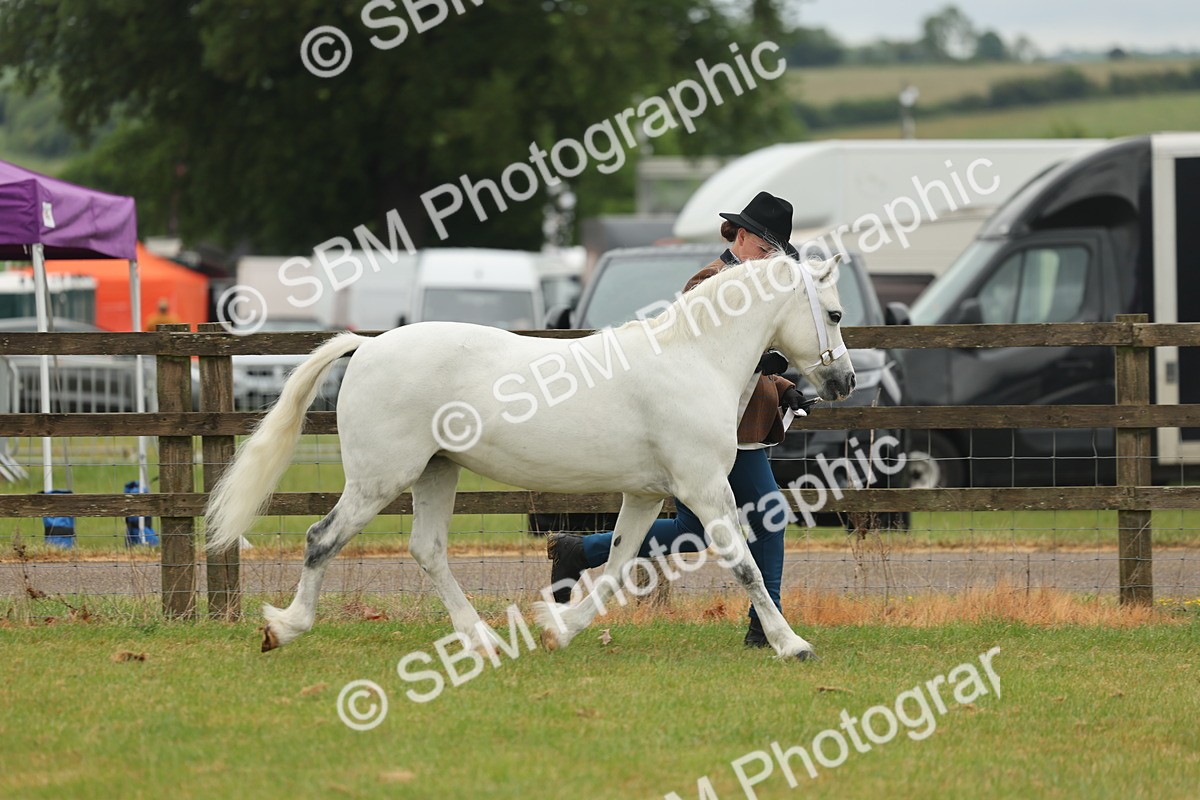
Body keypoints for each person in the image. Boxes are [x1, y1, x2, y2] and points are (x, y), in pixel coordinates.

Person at [546, 191, 809, 648]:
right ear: (742, 237)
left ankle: (580, 551)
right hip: (706, 430)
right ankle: (767, 624)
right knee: (760, 518)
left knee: (705, 531)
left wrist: (785, 387)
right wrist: (764, 364)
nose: (769, 261)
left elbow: (750, 362)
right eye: (765, 251)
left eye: (776, 255)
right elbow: (699, 361)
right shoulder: (709, 282)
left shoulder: (760, 288)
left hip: (739, 430)